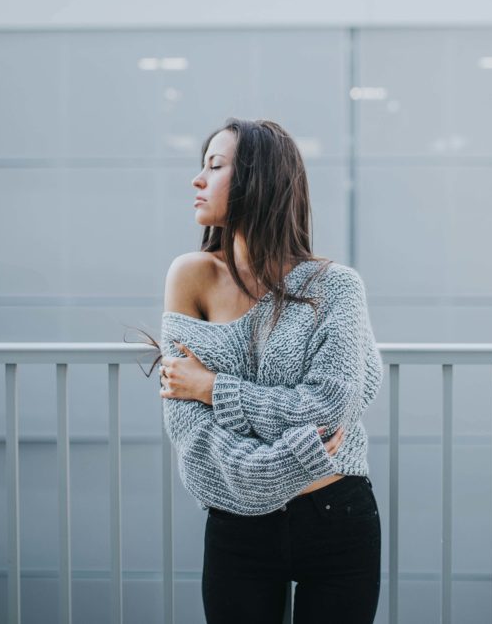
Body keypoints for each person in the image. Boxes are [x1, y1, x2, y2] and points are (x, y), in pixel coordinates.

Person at [156, 118, 385, 623]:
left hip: (337, 519)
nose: (198, 179)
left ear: (259, 180)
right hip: (238, 528)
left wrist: (213, 387)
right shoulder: (190, 276)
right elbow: (192, 440)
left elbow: (325, 410)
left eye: (215, 166)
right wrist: (297, 454)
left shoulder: (337, 287)